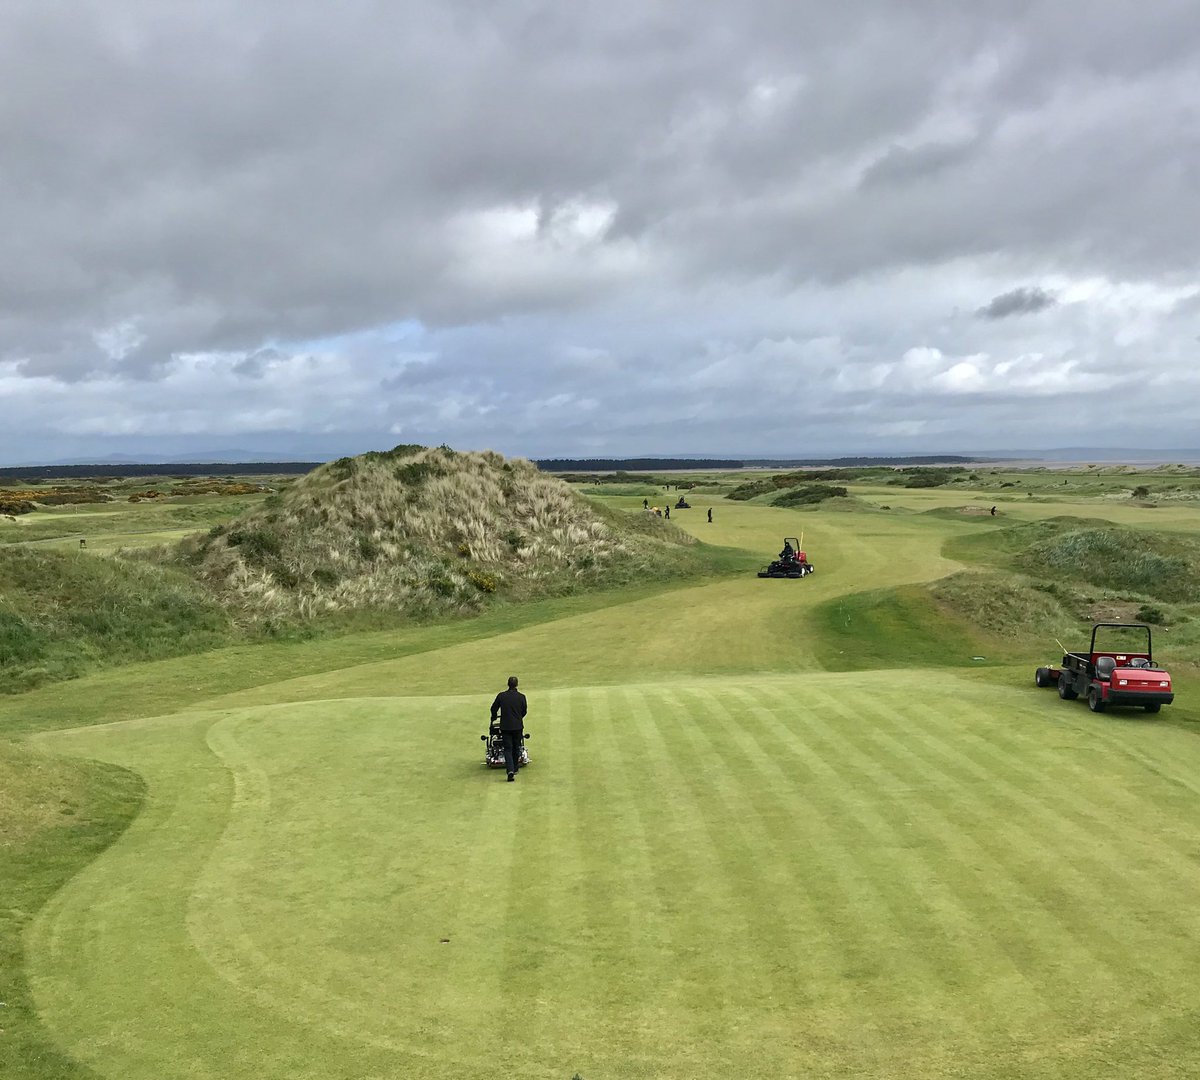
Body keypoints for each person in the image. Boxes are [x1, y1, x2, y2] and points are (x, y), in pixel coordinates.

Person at [490, 675, 528, 781]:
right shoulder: (521, 697)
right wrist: (518, 717)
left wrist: (494, 716)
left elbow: (493, 708)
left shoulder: (501, 696)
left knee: (508, 749)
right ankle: (515, 768)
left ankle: (510, 770)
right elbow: (524, 711)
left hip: (506, 726)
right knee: (516, 747)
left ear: (508, 684)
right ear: (517, 684)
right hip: (518, 726)